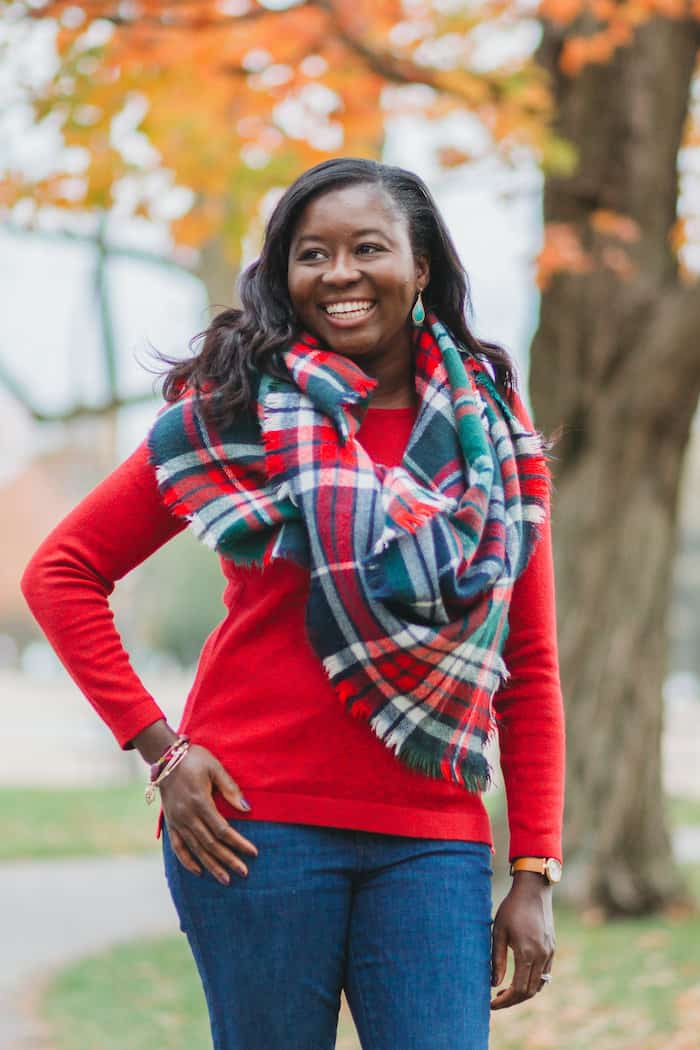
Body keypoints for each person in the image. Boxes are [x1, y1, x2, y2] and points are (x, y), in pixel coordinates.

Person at [22, 157, 565, 1050]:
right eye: (312, 254)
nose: (340, 274)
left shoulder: (497, 450)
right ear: (285, 275)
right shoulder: (234, 417)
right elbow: (62, 572)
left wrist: (535, 868)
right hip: (250, 829)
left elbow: (529, 666)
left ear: (419, 265)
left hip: (432, 839)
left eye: (368, 248)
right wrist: (161, 750)